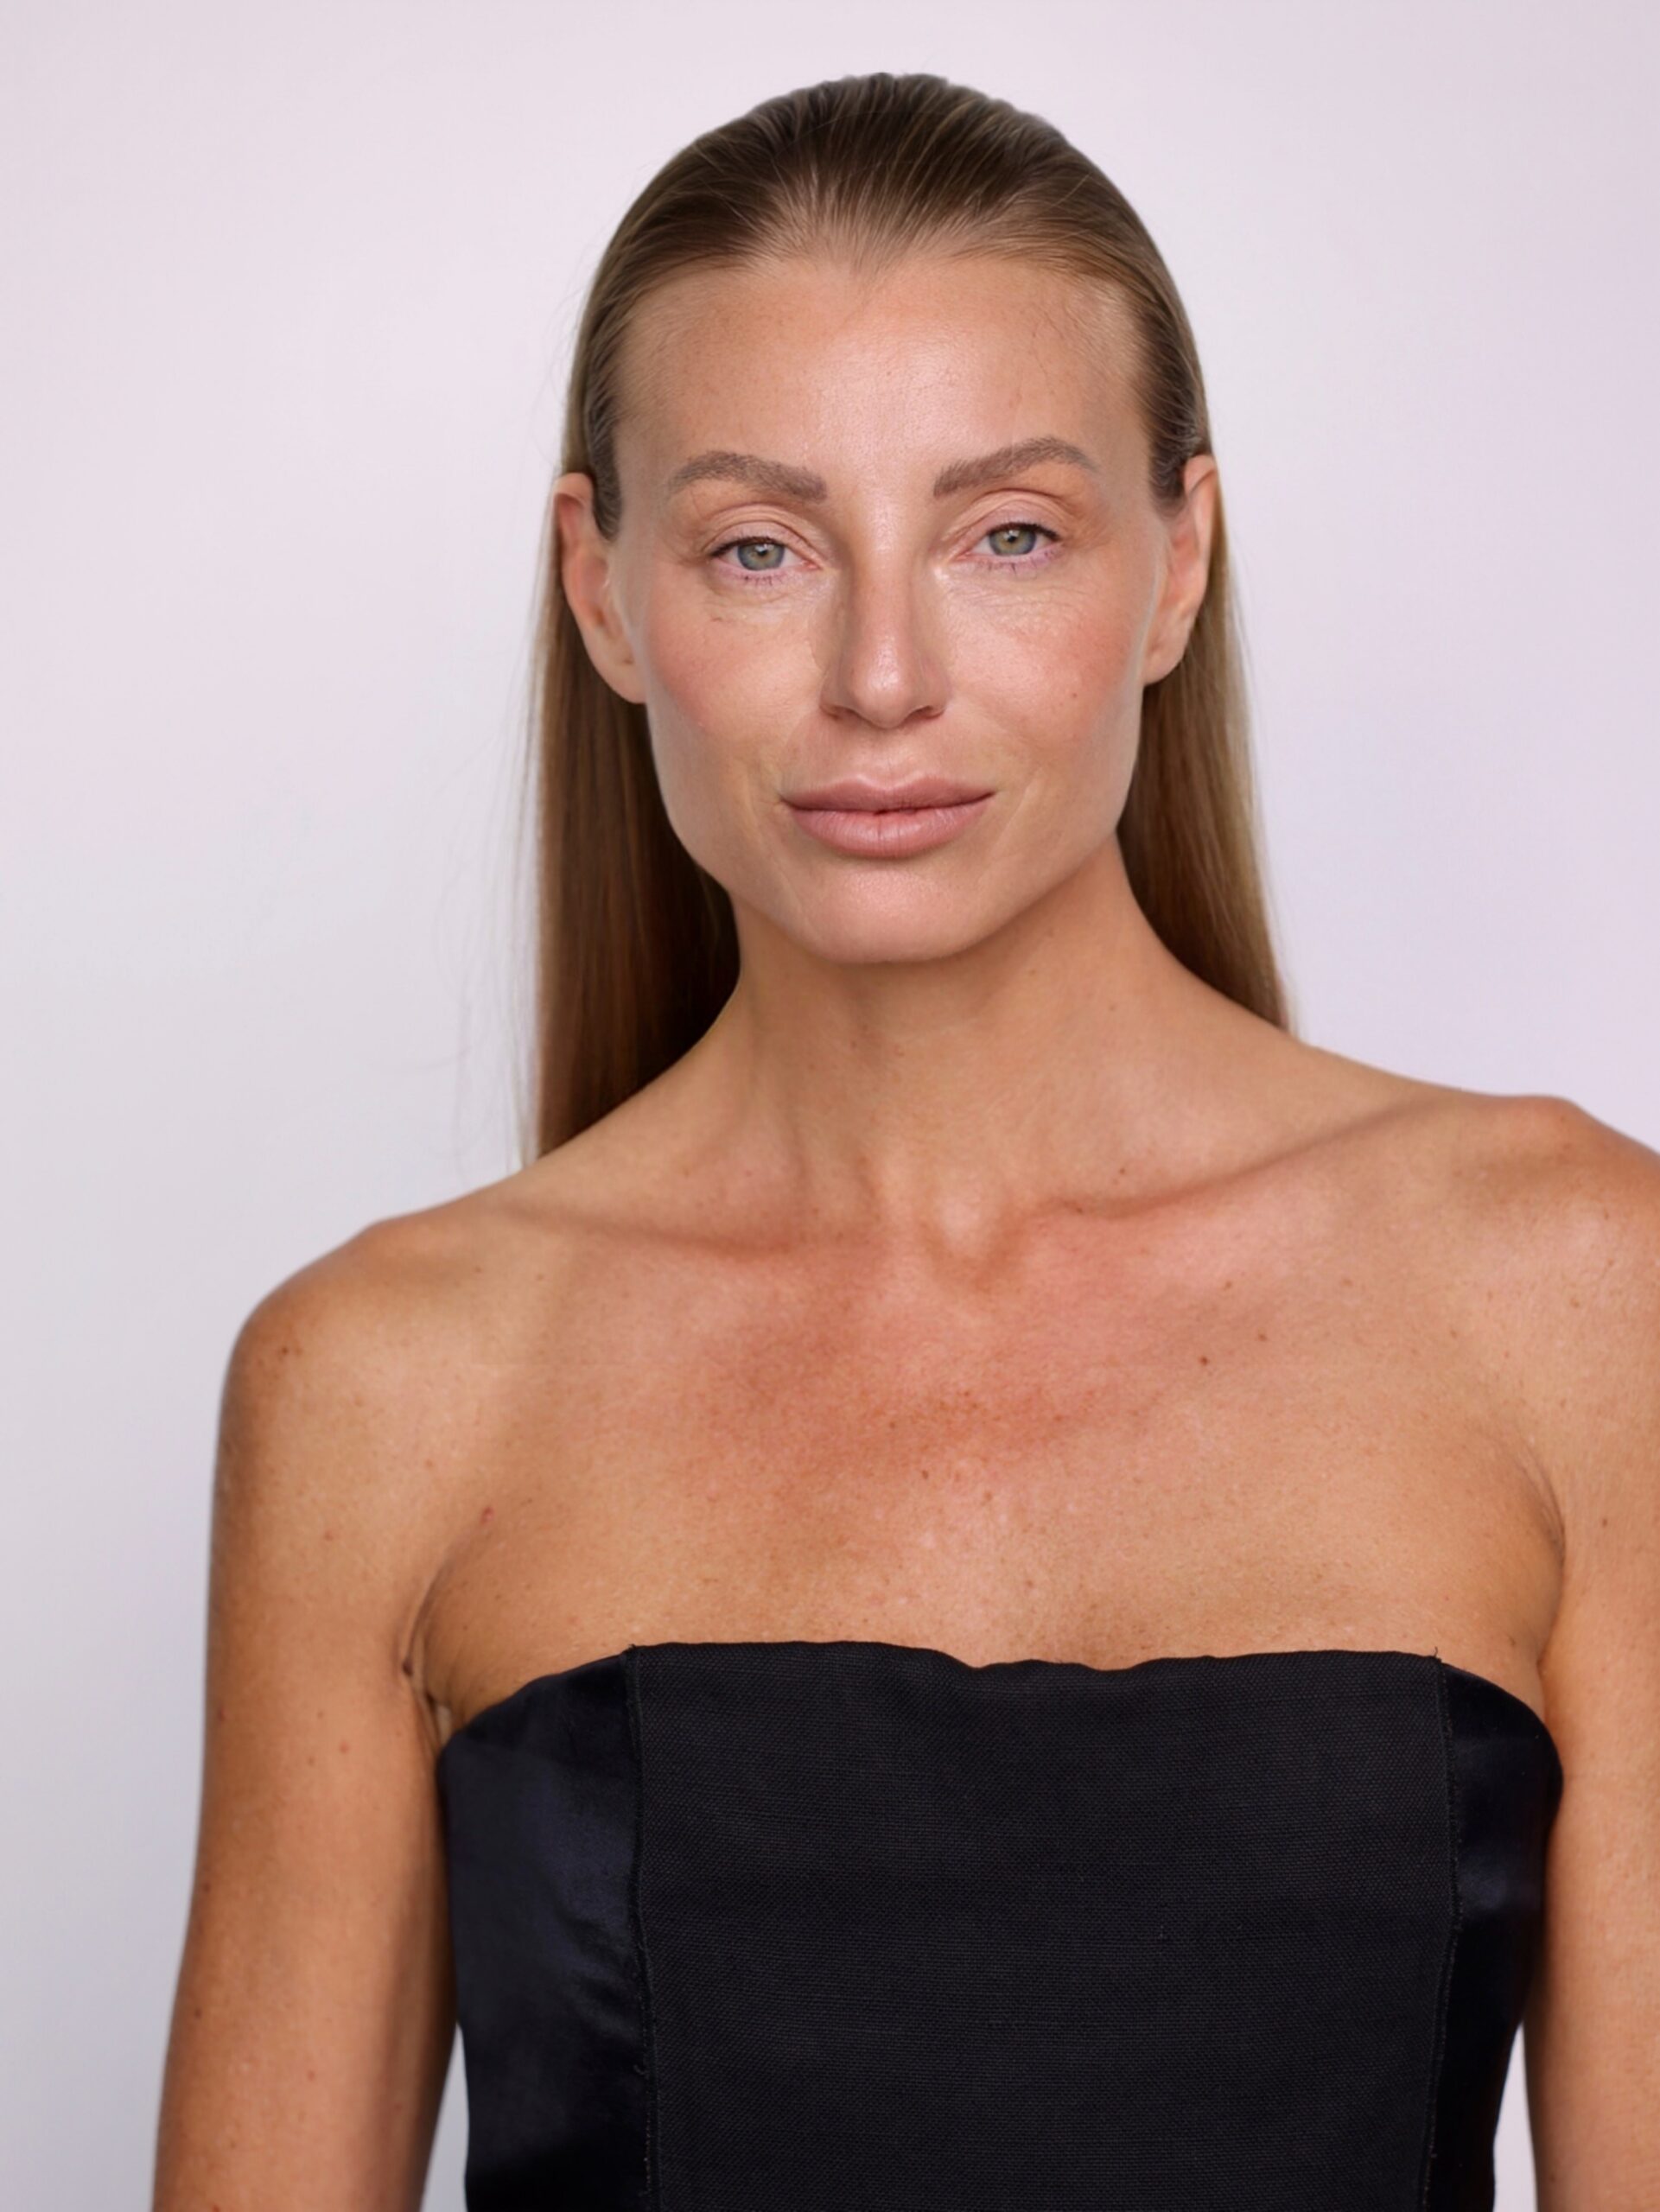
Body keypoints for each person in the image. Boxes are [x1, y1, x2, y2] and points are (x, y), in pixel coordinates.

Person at [153, 70, 1658, 2212]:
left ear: (1178, 564)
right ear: (604, 590)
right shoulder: (382, 1382)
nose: (880, 674)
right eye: (759, 548)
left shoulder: (1578, 1290)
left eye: (1005, 534)